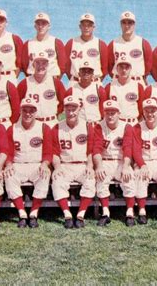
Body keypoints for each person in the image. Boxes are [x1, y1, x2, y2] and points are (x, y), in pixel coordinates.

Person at [51, 96, 100, 228]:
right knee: (57, 182)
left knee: (90, 180)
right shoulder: (56, 128)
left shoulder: (88, 126)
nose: (71, 112)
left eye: (74, 109)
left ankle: (81, 215)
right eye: (68, 109)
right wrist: (57, 167)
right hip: (65, 165)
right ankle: (67, 215)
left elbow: (90, 151)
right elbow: (54, 153)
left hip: (82, 164)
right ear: (64, 110)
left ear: (80, 109)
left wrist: (90, 166)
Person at [4, 98, 53, 228]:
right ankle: (21, 213)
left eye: (31, 111)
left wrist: (45, 164)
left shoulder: (44, 127)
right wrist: (8, 164)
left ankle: (33, 213)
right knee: (9, 175)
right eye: (25, 110)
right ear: (20, 111)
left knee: (44, 175)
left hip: (37, 163)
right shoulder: (12, 128)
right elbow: (8, 152)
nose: (28, 114)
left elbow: (48, 152)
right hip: (18, 164)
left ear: (36, 112)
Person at [94, 100, 136, 226]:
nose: (110, 115)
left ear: (119, 113)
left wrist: (127, 166)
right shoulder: (99, 126)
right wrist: (99, 166)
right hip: (105, 160)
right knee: (101, 179)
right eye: (107, 113)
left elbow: (128, 148)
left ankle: (129, 212)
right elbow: (96, 149)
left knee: (129, 179)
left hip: (121, 161)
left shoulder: (126, 126)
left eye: (113, 112)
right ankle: (106, 212)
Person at [17, 52, 65, 128]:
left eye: (44, 63)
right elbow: (17, 105)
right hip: (32, 124)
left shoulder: (56, 83)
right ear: (33, 65)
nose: (40, 66)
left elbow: (63, 102)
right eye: (37, 63)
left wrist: (55, 113)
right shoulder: (24, 83)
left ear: (48, 65)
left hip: (51, 123)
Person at [107, 11, 152, 82]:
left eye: (130, 23)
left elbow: (148, 66)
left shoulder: (143, 43)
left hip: (137, 82)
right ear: (120, 24)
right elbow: (109, 67)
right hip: (118, 83)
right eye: (124, 23)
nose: (127, 26)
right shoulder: (113, 44)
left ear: (134, 24)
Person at [65, 13, 108, 85]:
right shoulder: (71, 43)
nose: (86, 28)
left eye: (89, 25)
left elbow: (105, 68)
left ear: (94, 27)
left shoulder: (100, 44)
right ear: (80, 26)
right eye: (84, 25)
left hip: (94, 83)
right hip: (75, 83)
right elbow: (66, 66)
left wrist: (95, 80)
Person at [22, 12, 66, 79]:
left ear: (49, 26)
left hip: (52, 78)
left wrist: (56, 80)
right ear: (35, 26)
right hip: (33, 80)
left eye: (44, 24)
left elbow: (62, 65)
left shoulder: (56, 42)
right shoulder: (28, 44)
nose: (40, 26)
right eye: (38, 24)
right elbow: (24, 65)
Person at [104, 55, 145, 126]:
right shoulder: (109, 86)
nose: (124, 70)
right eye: (121, 67)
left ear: (131, 69)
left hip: (132, 124)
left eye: (127, 67)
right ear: (117, 69)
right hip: (115, 124)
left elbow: (141, 108)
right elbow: (105, 107)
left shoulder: (138, 86)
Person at [66, 60, 106, 125]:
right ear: (79, 74)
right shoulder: (71, 90)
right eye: (83, 71)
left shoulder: (99, 89)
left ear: (93, 75)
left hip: (95, 124)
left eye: (89, 71)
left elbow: (103, 110)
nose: (86, 73)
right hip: (78, 125)